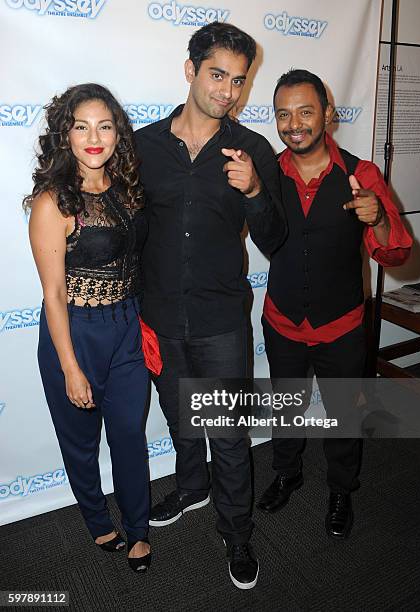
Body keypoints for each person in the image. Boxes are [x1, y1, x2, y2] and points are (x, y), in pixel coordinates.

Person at [134, 22, 285, 589]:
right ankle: (191, 489)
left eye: (238, 81)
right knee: (181, 420)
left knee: (227, 433)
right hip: (160, 317)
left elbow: (274, 239)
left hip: (223, 321)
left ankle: (237, 532)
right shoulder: (144, 146)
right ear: (191, 69)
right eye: (218, 75)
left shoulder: (253, 150)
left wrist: (253, 193)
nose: (227, 91)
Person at [257, 69, 412, 538]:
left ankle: (341, 488)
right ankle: (287, 471)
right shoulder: (267, 173)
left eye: (305, 111)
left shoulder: (361, 174)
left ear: (327, 114)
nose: (294, 124)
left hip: (341, 324)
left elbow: (397, 251)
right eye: (283, 114)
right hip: (282, 319)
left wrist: (379, 216)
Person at [25, 83, 154, 572]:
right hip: (73, 332)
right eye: (82, 126)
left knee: (129, 436)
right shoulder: (53, 201)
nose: (94, 137)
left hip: (126, 326)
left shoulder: (126, 189)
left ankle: (139, 531)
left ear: (117, 133)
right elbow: (53, 295)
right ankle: (98, 520)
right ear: (66, 135)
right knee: (80, 442)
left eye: (104, 126)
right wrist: (70, 368)